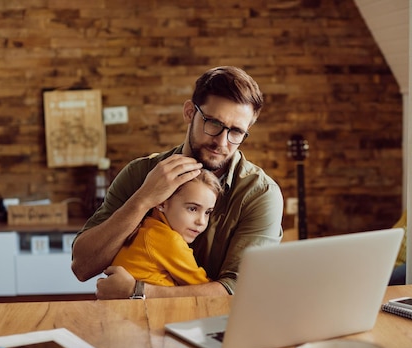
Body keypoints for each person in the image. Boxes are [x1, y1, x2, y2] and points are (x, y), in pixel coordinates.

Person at [72, 66, 284, 299]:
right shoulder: (139, 173)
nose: (222, 143)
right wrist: (143, 199)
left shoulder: (260, 194)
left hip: (218, 327)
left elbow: (242, 291)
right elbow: (82, 267)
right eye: (213, 123)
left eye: (236, 132)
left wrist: (139, 291)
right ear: (189, 113)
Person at [111, 169, 221, 287]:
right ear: (162, 203)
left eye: (208, 212)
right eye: (192, 209)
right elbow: (203, 288)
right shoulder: (168, 240)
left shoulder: (147, 227)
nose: (201, 221)